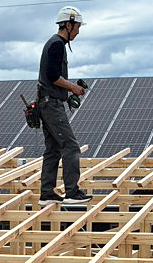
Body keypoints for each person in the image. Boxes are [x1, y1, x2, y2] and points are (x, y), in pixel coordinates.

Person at [37, 6, 89, 205]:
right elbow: (53, 76)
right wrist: (73, 88)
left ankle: (47, 194)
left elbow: (52, 78)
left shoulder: (54, 43)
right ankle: (72, 193)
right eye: (77, 27)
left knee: (53, 149)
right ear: (68, 24)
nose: (78, 31)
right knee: (71, 146)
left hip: (46, 102)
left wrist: (67, 91)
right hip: (51, 104)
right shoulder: (57, 44)